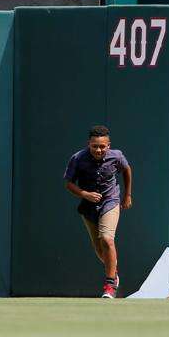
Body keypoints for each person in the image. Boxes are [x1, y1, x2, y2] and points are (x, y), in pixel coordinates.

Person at [64, 125, 133, 299]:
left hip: (110, 201)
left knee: (107, 239)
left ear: (108, 145)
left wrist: (127, 195)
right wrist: (84, 193)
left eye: (102, 146)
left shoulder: (116, 156)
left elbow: (127, 170)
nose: (98, 150)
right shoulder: (78, 158)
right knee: (99, 248)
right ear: (89, 144)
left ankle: (110, 285)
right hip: (88, 207)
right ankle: (114, 272)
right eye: (95, 146)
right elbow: (69, 183)